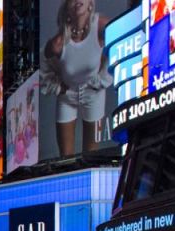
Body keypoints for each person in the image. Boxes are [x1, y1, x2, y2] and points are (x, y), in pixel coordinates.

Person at [41, 0, 112, 156]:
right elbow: (43, 69)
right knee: (66, 157)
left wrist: (101, 80)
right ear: (67, 7)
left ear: (90, 4)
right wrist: (58, 87)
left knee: (91, 154)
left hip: (94, 93)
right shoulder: (58, 43)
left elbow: (118, 47)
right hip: (68, 96)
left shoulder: (101, 26)